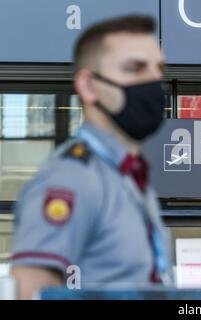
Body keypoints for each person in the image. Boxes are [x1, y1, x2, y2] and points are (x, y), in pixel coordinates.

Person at [10, 15, 172, 299]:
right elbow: (32, 288)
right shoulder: (71, 178)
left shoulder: (129, 179)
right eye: (134, 68)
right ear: (88, 86)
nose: (153, 81)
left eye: (158, 69)